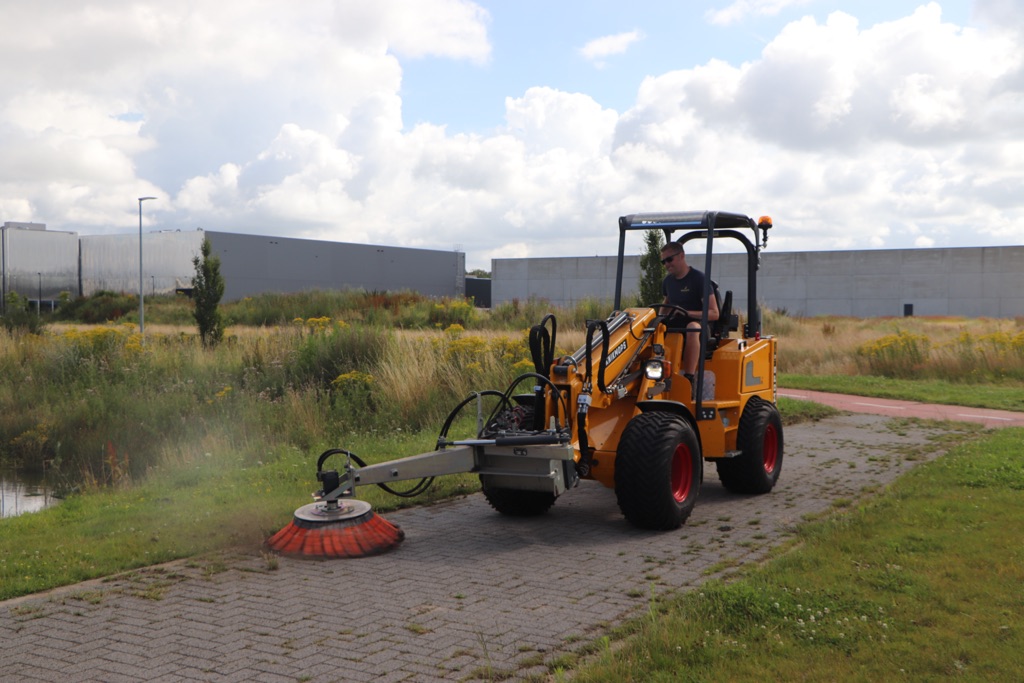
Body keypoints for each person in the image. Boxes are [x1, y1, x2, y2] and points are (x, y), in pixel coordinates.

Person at [660, 242, 719, 382]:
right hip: (676, 324)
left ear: (681, 256)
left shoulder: (699, 279)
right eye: (663, 261)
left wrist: (687, 313)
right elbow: (665, 305)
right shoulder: (667, 282)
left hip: (699, 326)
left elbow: (714, 313)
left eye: (669, 260)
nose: (666, 264)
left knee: (692, 328)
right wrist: (658, 319)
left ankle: (689, 377)